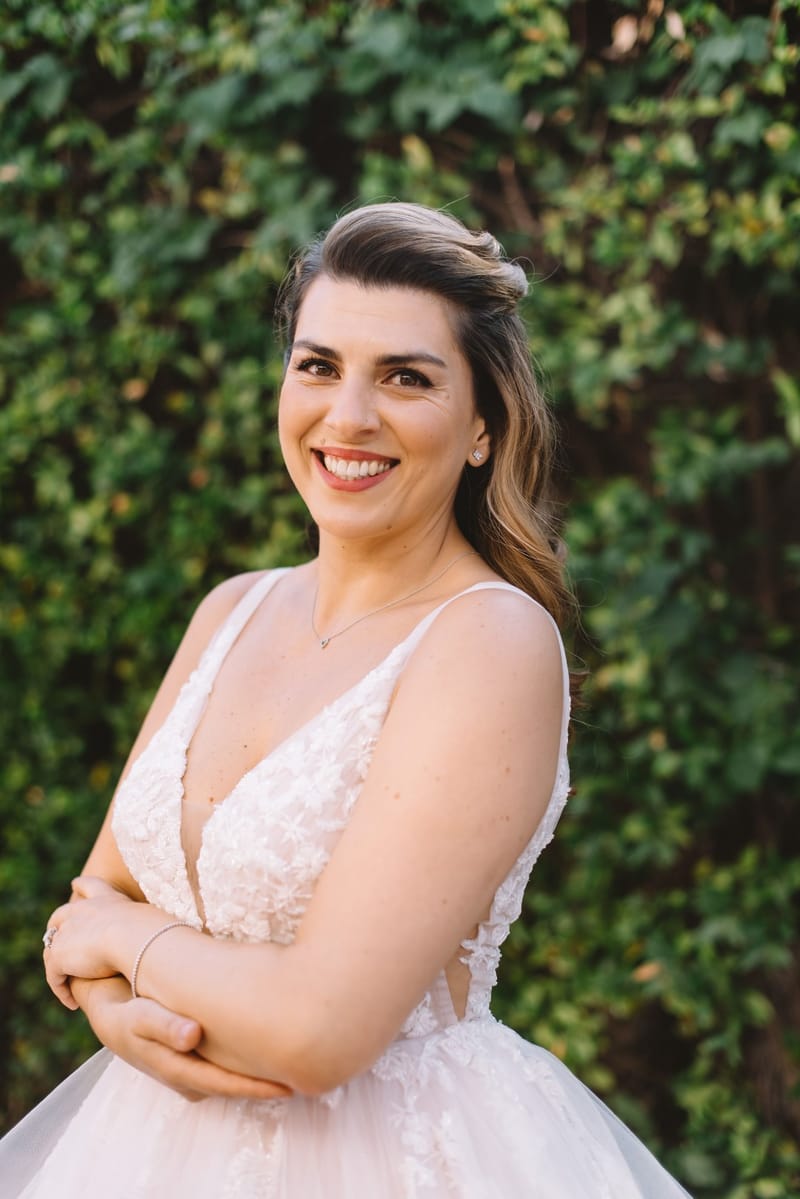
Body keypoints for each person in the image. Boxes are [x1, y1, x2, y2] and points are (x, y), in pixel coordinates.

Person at [1, 202, 691, 1197]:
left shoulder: (488, 641)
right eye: (317, 365)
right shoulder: (230, 610)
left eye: (404, 377)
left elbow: (317, 1029)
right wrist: (118, 1016)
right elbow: (91, 895)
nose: (347, 416)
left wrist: (119, 948)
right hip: (144, 1142)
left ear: (483, 430)